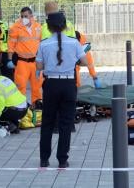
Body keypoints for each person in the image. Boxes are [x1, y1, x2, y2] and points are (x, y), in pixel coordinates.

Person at [36, 12, 87, 168]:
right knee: (66, 123)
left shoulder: (43, 44)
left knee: (47, 123)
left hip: (51, 85)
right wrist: (72, 60)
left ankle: (44, 159)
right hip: (68, 85)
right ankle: (62, 160)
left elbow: (39, 66)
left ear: (49, 27)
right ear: (65, 26)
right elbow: (84, 62)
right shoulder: (74, 43)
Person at [7, 7, 42, 106]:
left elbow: (42, 43)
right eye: (22, 16)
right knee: (20, 86)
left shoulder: (38, 27)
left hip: (36, 62)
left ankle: (37, 105)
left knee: (36, 86)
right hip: (22, 62)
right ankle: (21, 107)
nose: (23, 18)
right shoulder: (15, 28)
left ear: (31, 16)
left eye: (26, 16)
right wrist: (10, 60)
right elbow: (11, 45)